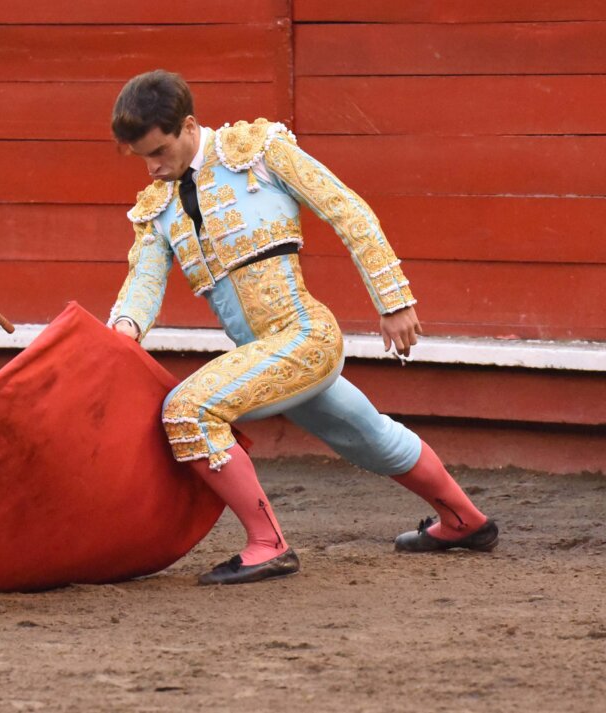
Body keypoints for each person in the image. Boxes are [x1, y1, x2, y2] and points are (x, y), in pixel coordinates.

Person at [107, 70, 498, 585]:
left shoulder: (259, 151)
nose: (153, 168)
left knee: (188, 409)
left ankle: (267, 544)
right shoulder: (158, 208)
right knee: (370, 436)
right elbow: (143, 283)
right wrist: (121, 333)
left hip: (304, 335)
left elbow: (347, 210)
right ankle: (466, 522)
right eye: (142, 158)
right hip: (265, 352)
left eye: (159, 152)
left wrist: (394, 299)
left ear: (189, 125)